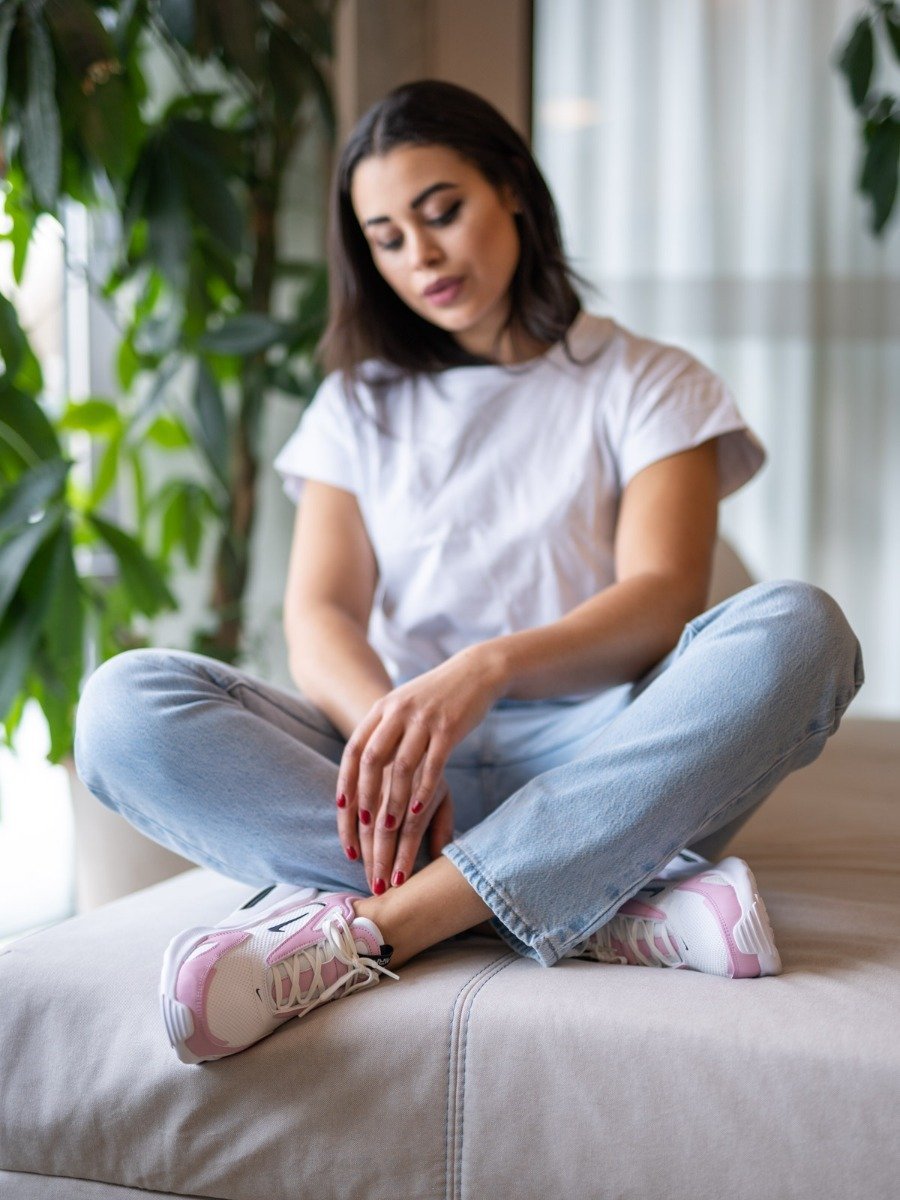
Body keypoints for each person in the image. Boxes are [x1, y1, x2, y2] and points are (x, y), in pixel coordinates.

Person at [74, 80, 864, 1066]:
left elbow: (661, 599)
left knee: (800, 627)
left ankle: (389, 925)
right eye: (387, 237)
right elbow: (319, 612)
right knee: (121, 706)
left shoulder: (649, 381)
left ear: (515, 194)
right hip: (398, 782)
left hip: (601, 755)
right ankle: (597, 902)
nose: (422, 256)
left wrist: (480, 672)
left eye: (442, 211)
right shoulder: (357, 404)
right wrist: (396, 736)